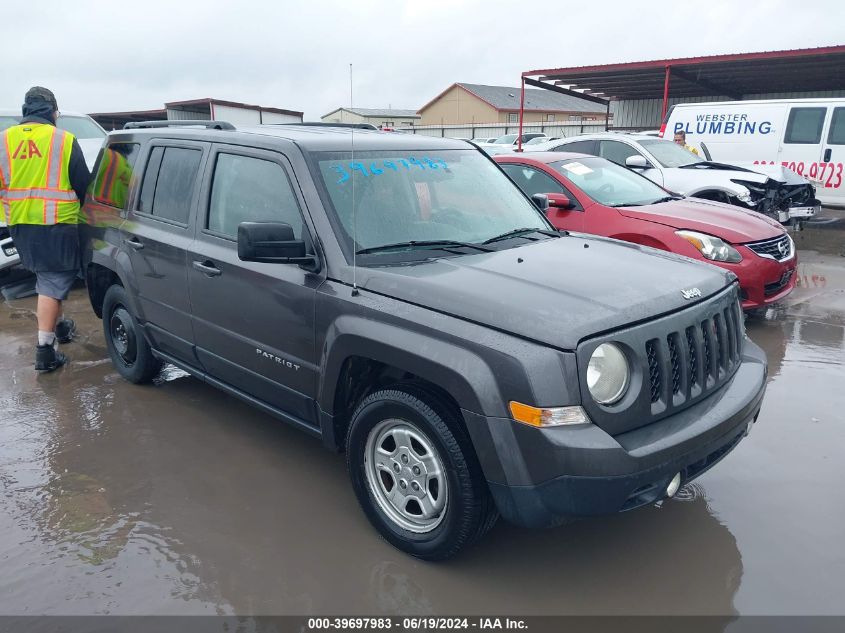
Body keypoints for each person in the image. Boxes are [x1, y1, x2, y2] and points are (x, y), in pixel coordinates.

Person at [0, 87, 91, 372]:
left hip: (20, 224)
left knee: (47, 277)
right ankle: (44, 352)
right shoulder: (63, 139)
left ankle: (61, 327)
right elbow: (83, 185)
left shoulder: (4, 140)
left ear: (26, 110)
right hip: (56, 223)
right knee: (52, 284)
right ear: (52, 111)